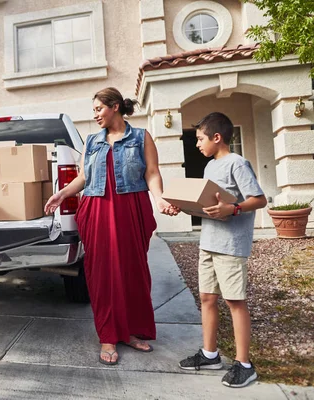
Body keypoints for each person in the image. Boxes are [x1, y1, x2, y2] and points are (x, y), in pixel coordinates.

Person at [44, 87, 179, 366]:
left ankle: (130, 331)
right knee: (102, 273)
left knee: (133, 271)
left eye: (98, 109)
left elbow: (152, 173)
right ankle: (108, 335)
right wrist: (62, 194)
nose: (95, 115)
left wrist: (160, 199)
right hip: (97, 209)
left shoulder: (140, 137)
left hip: (130, 208)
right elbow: (83, 177)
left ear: (115, 106)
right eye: (93, 110)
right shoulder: (93, 141)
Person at [178, 112, 266, 388]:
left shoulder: (237, 163)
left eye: (200, 139)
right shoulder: (209, 168)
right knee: (207, 298)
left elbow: (259, 199)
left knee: (234, 301)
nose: (197, 144)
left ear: (217, 138)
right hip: (209, 243)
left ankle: (244, 365)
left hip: (231, 245)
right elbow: (208, 205)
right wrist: (180, 205)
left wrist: (234, 208)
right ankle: (210, 354)